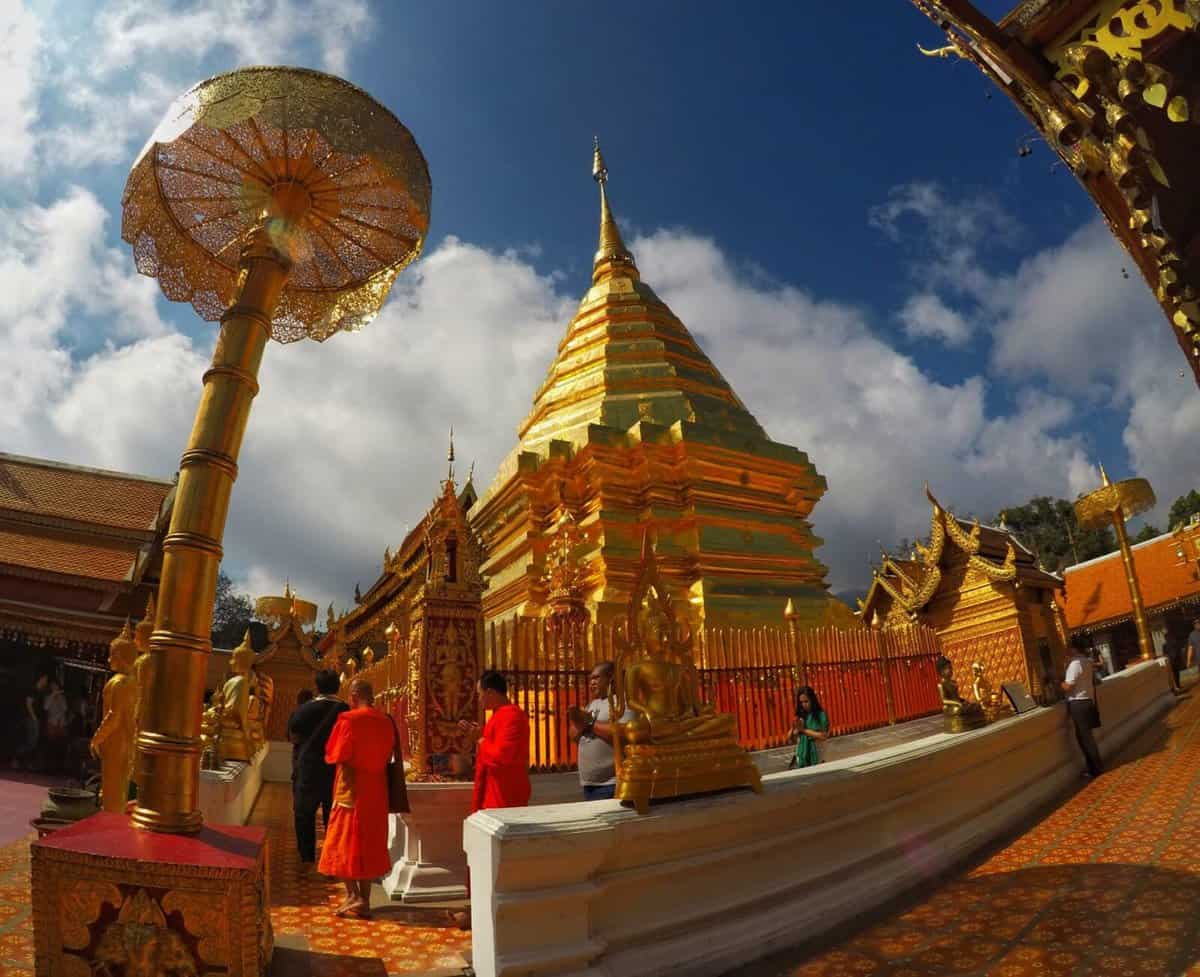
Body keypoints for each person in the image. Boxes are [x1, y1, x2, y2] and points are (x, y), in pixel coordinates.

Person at [454, 670, 531, 929]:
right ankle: (479, 909)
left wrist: (481, 739)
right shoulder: (497, 717)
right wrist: (477, 738)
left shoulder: (513, 717)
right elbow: (487, 749)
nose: (479, 701)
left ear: (490, 692)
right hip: (490, 792)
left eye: (480, 695)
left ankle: (490, 914)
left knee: (496, 858)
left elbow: (503, 756)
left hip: (504, 795)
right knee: (483, 855)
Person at [318, 678, 396, 919]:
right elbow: (387, 755)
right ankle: (366, 900)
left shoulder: (349, 720)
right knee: (369, 843)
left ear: (353, 696)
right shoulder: (386, 722)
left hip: (350, 790)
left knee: (342, 842)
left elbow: (335, 754)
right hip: (376, 791)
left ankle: (352, 896)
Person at [287, 669, 348, 869]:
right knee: (334, 816)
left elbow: (293, 735)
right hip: (335, 770)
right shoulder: (345, 710)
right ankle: (332, 857)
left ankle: (306, 857)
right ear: (338, 687)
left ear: (317, 686)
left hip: (309, 769)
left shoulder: (304, 710)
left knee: (304, 813)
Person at [567, 661, 629, 800]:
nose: (592, 682)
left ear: (611, 679)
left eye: (596, 678)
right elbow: (573, 736)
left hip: (612, 783)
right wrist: (578, 719)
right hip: (589, 785)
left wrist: (589, 722)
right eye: (590, 679)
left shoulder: (623, 702)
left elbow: (623, 734)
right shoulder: (593, 704)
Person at [1062, 639, 1103, 778]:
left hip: (1078, 703)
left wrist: (1058, 683)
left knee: (1085, 738)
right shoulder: (1087, 661)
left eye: (1068, 648)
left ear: (1074, 649)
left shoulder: (1075, 664)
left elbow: (1069, 686)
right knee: (1085, 737)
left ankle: (1095, 769)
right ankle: (1093, 767)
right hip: (1087, 701)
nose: (1066, 651)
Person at [789, 685, 830, 769]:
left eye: (806, 701)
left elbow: (823, 736)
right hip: (802, 756)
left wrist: (803, 730)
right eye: (801, 702)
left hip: (818, 755)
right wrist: (794, 729)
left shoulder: (820, 715)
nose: (803, 705)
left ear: (812, 700)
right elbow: (791, 740)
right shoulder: (800, 716)